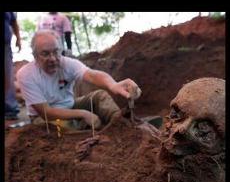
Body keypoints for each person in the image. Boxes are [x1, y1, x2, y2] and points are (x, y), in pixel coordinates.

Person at [17, 29, 162, 131]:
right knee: (65, 127)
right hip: (44, 119)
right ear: (35, 55)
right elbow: (46, 112)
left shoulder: (67, 63)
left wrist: (112, 84)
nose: (53, 58)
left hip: (70, 105)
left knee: (99, 96)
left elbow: (92, 75)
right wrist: (83, 114)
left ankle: (123, 126)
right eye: (45, 54)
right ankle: (99, 135)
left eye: (56, 52)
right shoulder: (26, 74)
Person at [5, 12, 21, 120]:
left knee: (7, 77)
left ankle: (10, 110)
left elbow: (14, 22)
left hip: (5, 45)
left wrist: (18, 39)